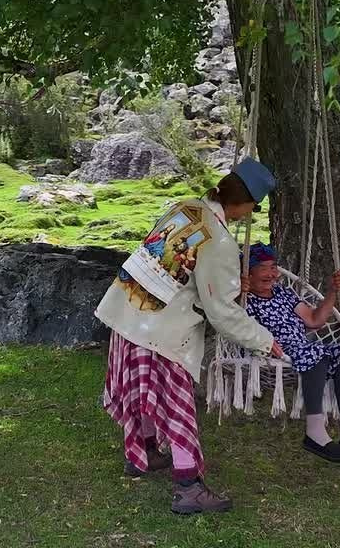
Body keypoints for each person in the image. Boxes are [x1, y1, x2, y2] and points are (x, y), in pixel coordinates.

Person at [95, 159, 285, 515]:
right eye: (253, 208)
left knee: (142, 389)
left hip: (131, 307)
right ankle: (188, 487)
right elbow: (221, 311)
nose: (249, 215)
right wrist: (263, 339)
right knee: (176, 403)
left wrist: (226, 285)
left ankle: (143, 454)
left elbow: (173, 262)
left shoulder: (186, 208)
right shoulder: (220, 238)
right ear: (242, 202)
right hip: (161, 328)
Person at [241, 243, 340, 463]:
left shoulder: (282, 293)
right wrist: (238, 288)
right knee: (316, 355)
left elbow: (314, 319)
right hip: (269, 350)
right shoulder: (244, 298)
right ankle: (315, 432)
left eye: (274, 267)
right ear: (248, 272)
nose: (272, 274)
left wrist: (332, 290)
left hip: (301, 348)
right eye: (264, 268)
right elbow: (228, 316)